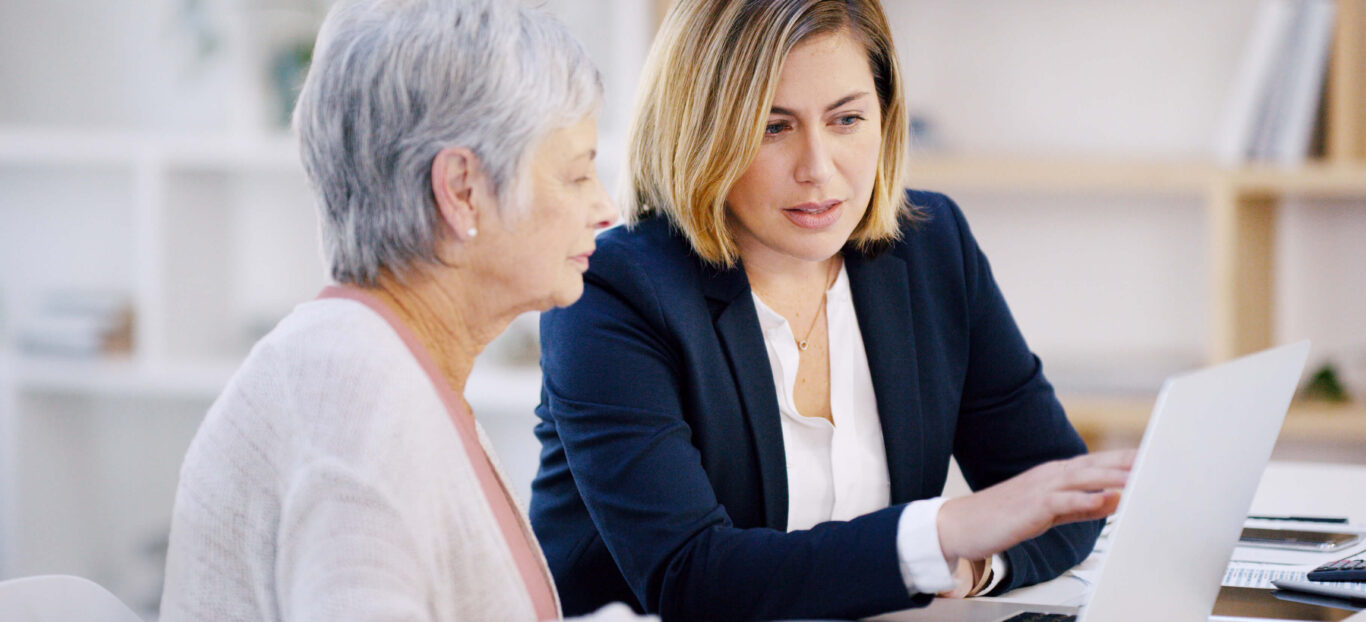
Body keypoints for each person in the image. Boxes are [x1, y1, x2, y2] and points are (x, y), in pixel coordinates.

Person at [530, 1, 1135, 620]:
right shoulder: (611, 290)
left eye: (846, 119)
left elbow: (1062, 497)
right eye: (773, 127)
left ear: (885, 117)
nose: (818, 169)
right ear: (700, 130)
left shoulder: (931, 247)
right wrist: (938, 534)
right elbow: (692, 575)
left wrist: (972, 568)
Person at [158, 1, 634, 620]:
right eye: (576, 176)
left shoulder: (374, 367)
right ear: (462, 191)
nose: (605, 209)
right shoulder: (355, 400)